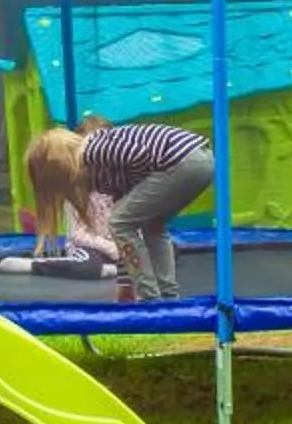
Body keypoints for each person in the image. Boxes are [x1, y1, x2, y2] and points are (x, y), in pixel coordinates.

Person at [23, 118, 215, 302]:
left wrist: (138, 184)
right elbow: (124, 239)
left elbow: (138, 154)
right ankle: (168, 296)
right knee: (151, 226)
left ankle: (150, 298)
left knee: (119, 221)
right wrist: (125, 284)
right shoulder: (103, 176)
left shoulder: (92, 150)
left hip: (183, 160)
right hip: (199, 161)